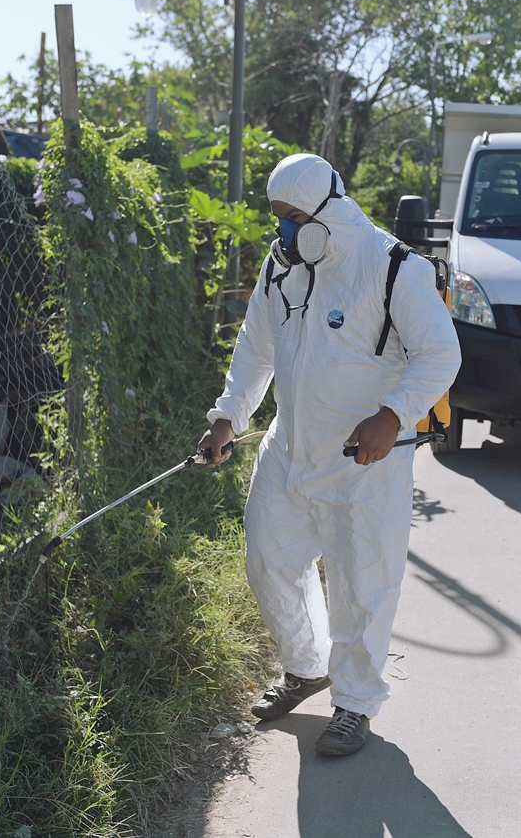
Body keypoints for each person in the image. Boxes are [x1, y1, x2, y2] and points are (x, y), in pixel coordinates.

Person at [198, 154, 461, 757]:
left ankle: (355, 703)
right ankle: (306, 666)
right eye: (277, 219)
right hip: (289, 448)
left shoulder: (393, 266)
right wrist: (226, 418)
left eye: (292, 218)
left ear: (327, 213)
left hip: (363, 461)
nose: (282, 231)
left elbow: (440, 353)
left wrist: (392, 415)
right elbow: (255, 350)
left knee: (362, 586)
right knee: (268, 562)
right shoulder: (280, 267)